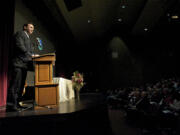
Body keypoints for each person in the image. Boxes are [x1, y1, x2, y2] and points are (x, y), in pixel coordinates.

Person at [6, 22, 34, 111]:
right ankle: (11, 105)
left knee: (21, 86)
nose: (32, 29)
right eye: (31, 27)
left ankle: (17, 104)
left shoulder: (28, 38)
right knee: (15, 85)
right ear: (25, 27)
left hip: (24, 65)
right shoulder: (20, 34)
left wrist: (33, 55)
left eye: (33, 28)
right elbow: (20, 46)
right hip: (18, 63)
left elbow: (28, 51)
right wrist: (31, 55)